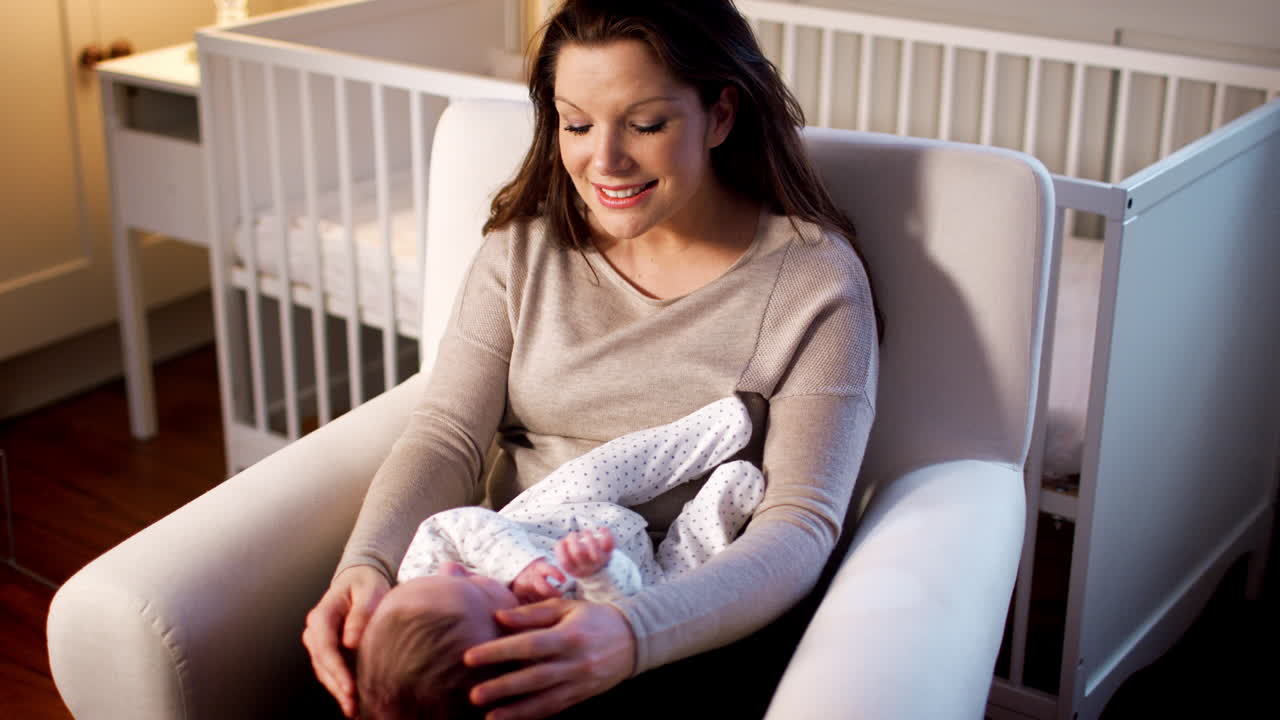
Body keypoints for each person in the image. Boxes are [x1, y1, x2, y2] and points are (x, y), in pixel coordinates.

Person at [302, 1, 880, 718]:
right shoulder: (521, 255)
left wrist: (633, 634)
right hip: (501, 594)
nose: (603, 161)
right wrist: (369, 564)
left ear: (721, 115)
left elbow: (801, 523)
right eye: (576, 124)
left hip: (683, 624)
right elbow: (446, 437)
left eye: (645, 125)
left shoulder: (813, 283)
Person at [396, 395, 765, 604]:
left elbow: (454, 525)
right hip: (633, 572)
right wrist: (599, 573)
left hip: (558, 515)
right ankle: (727, 496)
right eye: (464, 584)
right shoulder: (542, 639)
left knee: (595, 472)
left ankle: (716, 430)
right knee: (678, 583)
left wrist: (521, 565)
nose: (452, 569)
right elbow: (617, 610)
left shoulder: (418, 582)